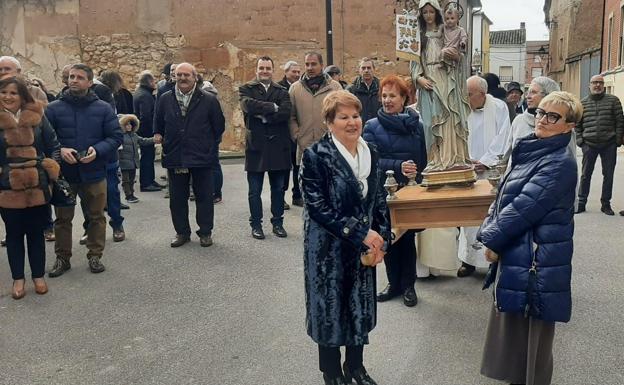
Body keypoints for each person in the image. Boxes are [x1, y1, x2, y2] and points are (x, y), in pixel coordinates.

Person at [478, 91, 581, 385]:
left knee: (531, 346)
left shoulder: (560, 161)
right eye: (540, 112)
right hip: (521, 255)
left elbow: (524, 207)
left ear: (569, 126)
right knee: (514, 344)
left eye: (553, 116)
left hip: (537, 261)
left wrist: (491, 239)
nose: (543, 120)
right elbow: (503, 200)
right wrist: (491, 226)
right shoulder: (534, 150)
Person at [300, 90, 389, 385]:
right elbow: (318, 208)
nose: (352, 122)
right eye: (344, 117)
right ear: (329, 122)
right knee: (330, 310)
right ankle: (332, 372)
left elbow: (378, 200)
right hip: (327, 248)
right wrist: (362, 233)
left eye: (355, 116)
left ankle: (355, 367)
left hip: (362, 249)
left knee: (359, 308)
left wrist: (383, 237)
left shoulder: (371, 152)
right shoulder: (315, 156)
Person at [45, 63, 123, 276]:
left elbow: (115, 137)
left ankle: (95, 256)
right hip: (64, 175)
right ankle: (62, 258)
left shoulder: (103, 109)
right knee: (62, 218)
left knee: (96, 216)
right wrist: (61, 150)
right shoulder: (52, 109)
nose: (74, 80)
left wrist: (97, 150)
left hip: (95, 172)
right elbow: (45, 141)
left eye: (79, 77)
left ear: (90, 82)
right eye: (71, 76)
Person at [363, 75, 427, 307]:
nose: (387, 100)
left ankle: (409, 286)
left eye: (393, 96)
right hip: (384, 192)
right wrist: (397, 166)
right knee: (389, 237)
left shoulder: (417, 126)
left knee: (407, 238)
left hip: (409, 191)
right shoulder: (371, 126)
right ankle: (393, 283)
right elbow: (370, 162)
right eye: (384, 96)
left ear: (404, 99)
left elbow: (423, 159)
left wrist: (416, 176)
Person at [0, 77, 61, 299]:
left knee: (36, 233)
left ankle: (38, 276)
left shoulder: (38, 115)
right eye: (4, 92)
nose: (8, 96)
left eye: (13, 93)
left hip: (38, 184)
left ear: (23, 96)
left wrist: (50, 169)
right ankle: (18, 278)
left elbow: (53, 145)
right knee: (14, 234)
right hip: (7, 186)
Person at [154, 62, 225, 248]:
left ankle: (205, 232)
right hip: (176, 155)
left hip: (201, 157)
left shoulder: (209, 100)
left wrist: (208, 145)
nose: (183, 78)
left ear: (195, 77)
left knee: (204, 197)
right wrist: (160, 136)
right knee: (177, 199)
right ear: (174, 77)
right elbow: (158, 123)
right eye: (179, 75)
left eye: (187, 75)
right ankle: (182, 232)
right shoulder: (164, 98)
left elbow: (218, 126)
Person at [457, 76, 511, 277]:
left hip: (490, 171)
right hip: (468, 168)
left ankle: (491, 260)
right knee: (468, 216)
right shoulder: (462, 108)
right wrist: (466, 160)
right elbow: (458, 134)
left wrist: (486, 161)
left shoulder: (499, 107)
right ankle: (467, 260)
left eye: (469, 94)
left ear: (482, 94)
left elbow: (504, 135)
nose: (466, 98)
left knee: (490, 214)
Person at [410, 0, 471, 172]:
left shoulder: (446, 31)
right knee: (432, 122)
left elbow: (460, 52)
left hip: (446, 75)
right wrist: (418, 78)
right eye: (425, 12)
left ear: (437, 12)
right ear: (421, 15)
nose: (428, 16)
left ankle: (454, 157)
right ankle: (436, 160)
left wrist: (457, 56)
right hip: (429, 78)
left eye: (431, 12)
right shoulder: (418, 34)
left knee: (451, 116)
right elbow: (413, 62)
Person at [239, 56, 292, 240]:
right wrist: (272, 107)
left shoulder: (282, 91)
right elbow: (247, 106)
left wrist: (264, 116)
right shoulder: (246, 88)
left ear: (273, 70)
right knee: (254, 191)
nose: (264, 71)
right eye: (261, 68)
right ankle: (256, 225)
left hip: (279, 147)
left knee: (278, 189)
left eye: (268, 68)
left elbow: (286, 112)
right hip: (256, 147)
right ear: (257, 69)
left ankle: (278, 223)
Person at [575, 74, 624, 216]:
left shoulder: (614, 101)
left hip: (609, 144)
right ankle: (581, 203)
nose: (597, 85)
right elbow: (578, 124)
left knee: (608, 175)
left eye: (600, 83)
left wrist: (617, 141)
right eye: (594, 82)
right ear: (589, 85)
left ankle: (605, 204)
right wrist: (580, 141)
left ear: (603, 85)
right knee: (585, 175)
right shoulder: (582, 103)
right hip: (589, 144)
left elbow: (620, 121)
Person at [289, 52, 342, 167]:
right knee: (304, 183)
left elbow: (341, 113)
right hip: (304, 145)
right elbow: (291, 116)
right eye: (307, 64)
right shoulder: (295, 88)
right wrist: (297, 134)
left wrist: (335, 135)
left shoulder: (335, 87)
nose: (310, 68)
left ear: (322, 65)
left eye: (313, 64)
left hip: (329, 146)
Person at [278, 60, 303, 207]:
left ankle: (297, 195)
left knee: (298, 166)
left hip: (298, 133)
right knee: (284, 169)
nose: (297, 74)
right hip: (282, 135)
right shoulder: (279, 88)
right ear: (286, 72)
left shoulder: (301, 88)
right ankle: (280, 197)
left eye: (299, 72)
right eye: (294, 71)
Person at [133, 70, 162, 192]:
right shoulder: (145, 95)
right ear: (149, 81)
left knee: (148, 156)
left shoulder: (141, 93)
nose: (155, 83)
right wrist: (153, 130)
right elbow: (146, 116)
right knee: (147, 157)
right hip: (146, 131)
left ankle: (150, 180)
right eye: (153, 81)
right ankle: (146, 183)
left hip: (143, 129)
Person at [118, 114, 154, 203]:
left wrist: (153, 140)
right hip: (124, 162)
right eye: (126, 124)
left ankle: (132, 193)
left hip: (133, 162)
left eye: (130, 124)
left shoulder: (134, 135)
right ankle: (128, 195)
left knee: (131, 180)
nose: (129, 126)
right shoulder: (120, 136)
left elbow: (143, 141)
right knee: (126, 180)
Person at [347, 58, 382, 124]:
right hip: (358, 128)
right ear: (359, 70)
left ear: (374, 70)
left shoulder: (381, 88)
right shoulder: (351, 90)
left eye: (369, 68)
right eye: (363, 68)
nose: (366, 70)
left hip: (377, 128)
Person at [441, 3, 467, 69]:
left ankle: (446, 65)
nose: (449, 21)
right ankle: (447, 66)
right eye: (447, 18)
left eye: (452, 18)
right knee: (442, 52)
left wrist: (463, 42)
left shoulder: (460, 30)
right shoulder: (444, 28)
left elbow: (463, 37)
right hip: (445, 47)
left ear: (457, 19)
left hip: (454, 49)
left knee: (443, 52)